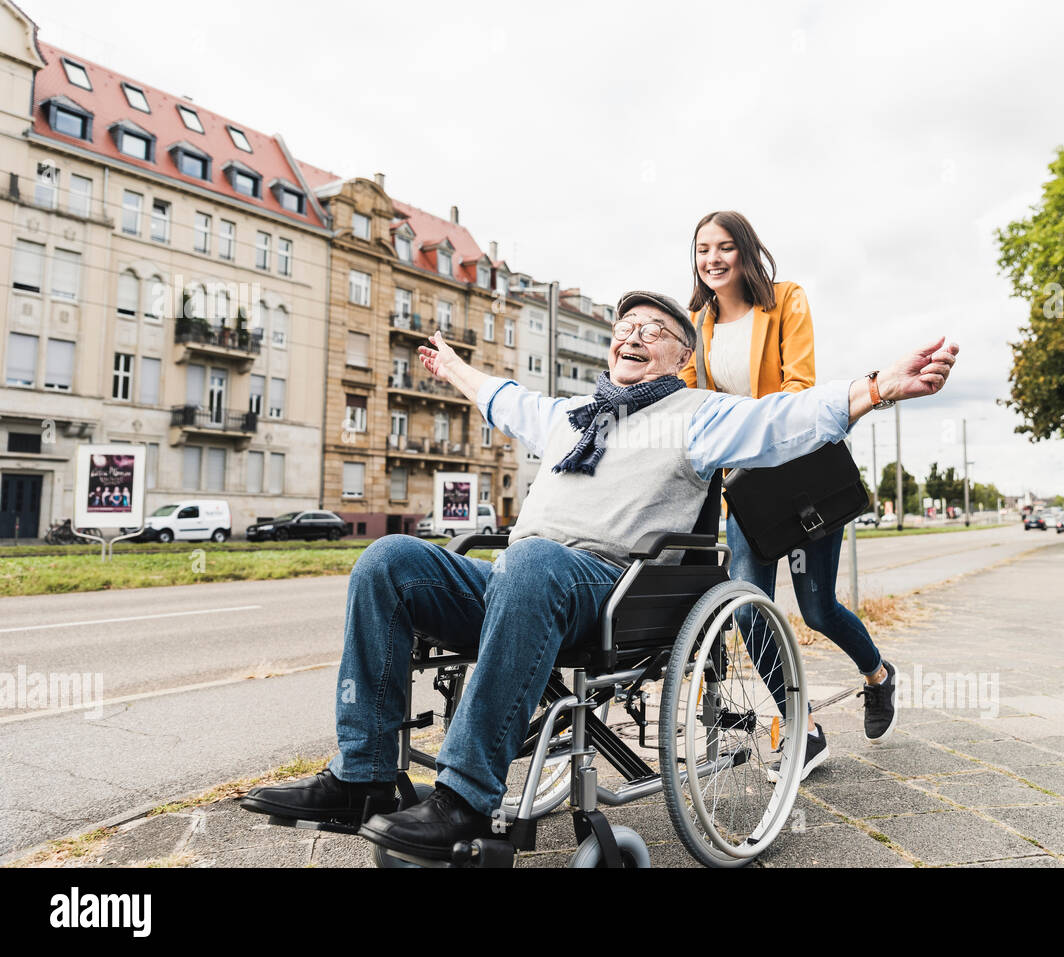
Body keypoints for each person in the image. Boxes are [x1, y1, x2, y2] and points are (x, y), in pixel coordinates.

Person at [240, 289, 958, 859]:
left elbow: (784, 418)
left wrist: (875, 388)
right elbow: (500, 398)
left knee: (533, 560)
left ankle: (464, 799)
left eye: (653, 327)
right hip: (521, 579)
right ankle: (364, 777)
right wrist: (452, 368)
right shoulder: (571, 415)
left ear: (684, 353)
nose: (632, 333)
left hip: (610, 591)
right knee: (387, 560)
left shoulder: (698, 414)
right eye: (625, 324)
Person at [681, 211, 896, 776]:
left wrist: (741, 425)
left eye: (725, 247)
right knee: (748, 611)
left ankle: (878, 676)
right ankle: (804, 728)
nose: (713, 259)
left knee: (818, 608)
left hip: (797, 477)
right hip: (742, 489)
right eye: (703, 249)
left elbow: (800, 387)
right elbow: (684, 399)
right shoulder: (696, 323)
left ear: (745, 252)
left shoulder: (785, 300)